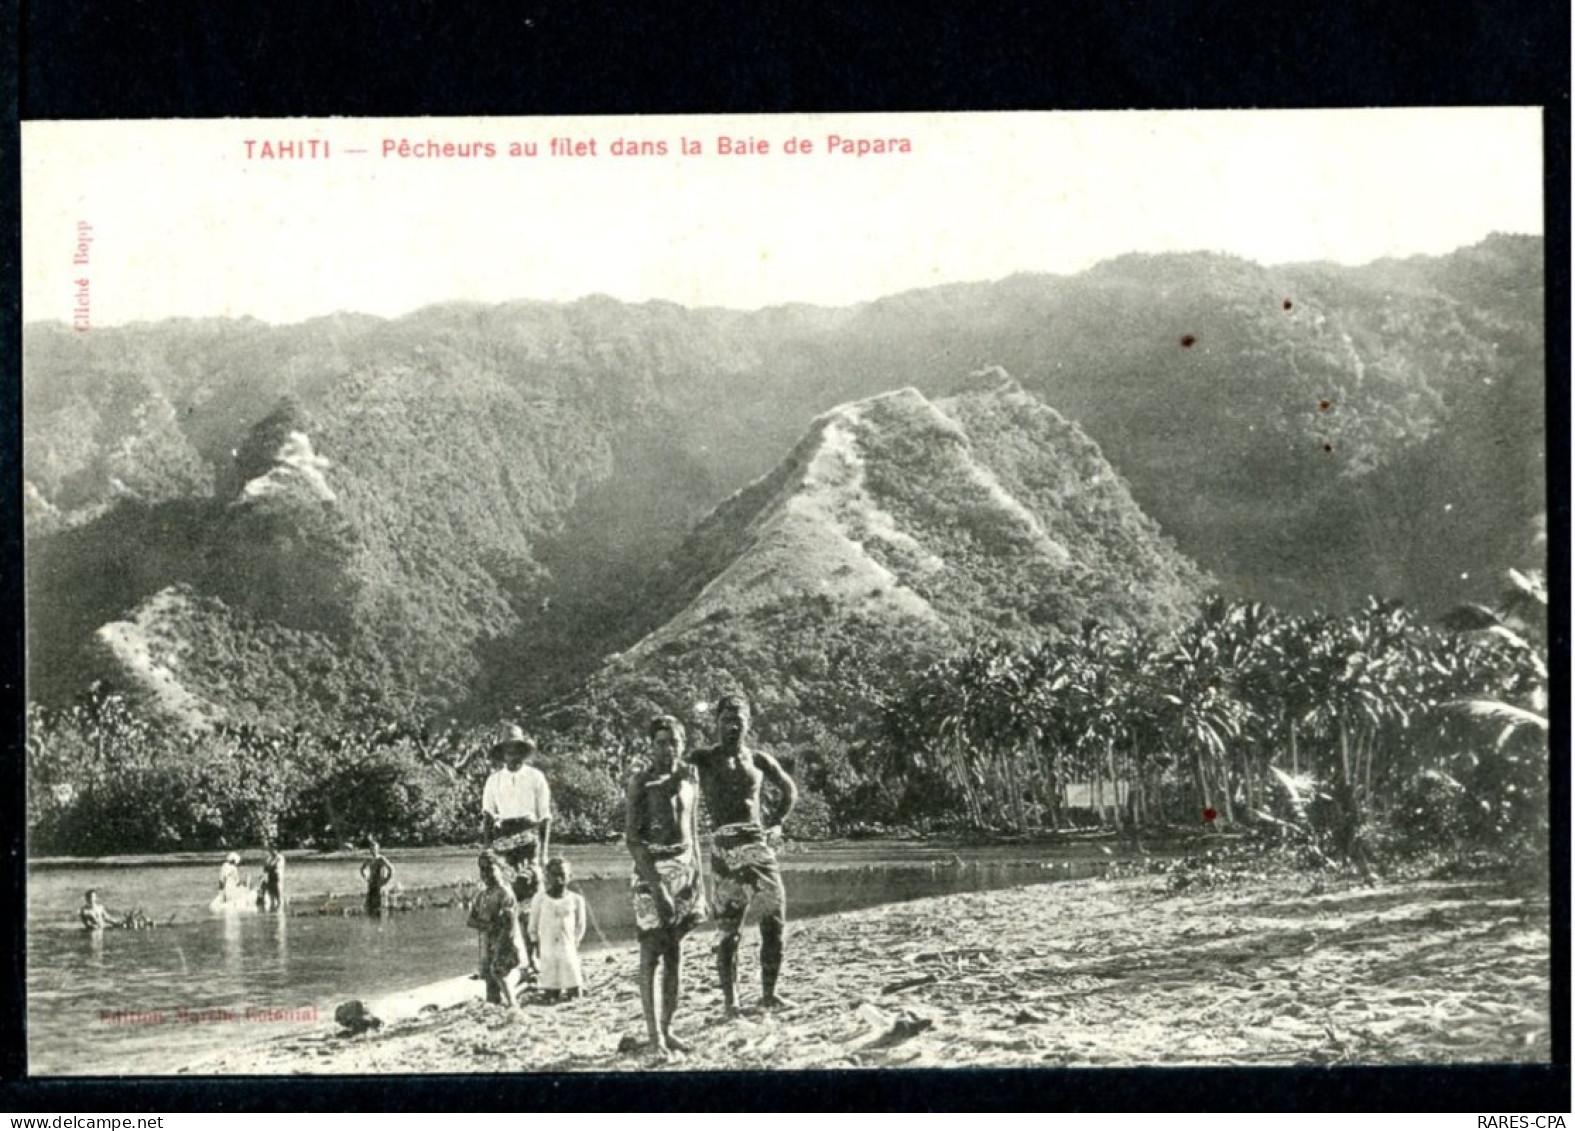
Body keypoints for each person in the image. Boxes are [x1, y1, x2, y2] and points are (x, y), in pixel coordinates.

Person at [691, 692, 798, 1014]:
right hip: (724, 846)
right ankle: (731, 1003)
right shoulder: (703, 759)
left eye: (738, 721)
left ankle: (769, 994)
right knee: (728, 930)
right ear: (717, 723)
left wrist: (777, 823)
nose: (732, 727)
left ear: (748, 724)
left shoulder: (759, 760)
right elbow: (672, 780)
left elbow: (789, 790)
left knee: (774, 921)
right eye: (726, 721)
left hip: (756, 844)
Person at [626, 714, 707, 1053]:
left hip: (685, 866)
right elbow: (633, 839)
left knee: (675, 952)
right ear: (651, 745)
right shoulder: (640, 783)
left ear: (682, 744)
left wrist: (699, 878)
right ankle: (654, 1037)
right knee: (650, 954)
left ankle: (668, 1028)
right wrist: (657, 886)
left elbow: (694, 832)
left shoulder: (690, 778)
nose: (668, 748)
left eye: (674, 741)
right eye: (661, 742)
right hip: (652, 868)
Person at [482, 725, 552, 965]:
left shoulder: (535, 777)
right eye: (508, 751)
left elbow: (545, 818)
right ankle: (511, 960)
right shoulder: (493, 780)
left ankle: (536, 959)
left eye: (516, 750)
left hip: (528, 841)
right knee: (506, 903)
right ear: (502, 754)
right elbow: (488, 818)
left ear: (523, 751)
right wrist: (488, 851)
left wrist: (542, 853)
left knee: (530, 903)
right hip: (503, 844)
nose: (512, 755)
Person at [467, 852, 524, 1007]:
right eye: (482, 870)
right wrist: (487, 925)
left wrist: (501, 944)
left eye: (490, 869)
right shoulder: (482, 896)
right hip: (487, 943)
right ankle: (495, 1003)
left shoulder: (504, 892)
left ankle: (513, 1005)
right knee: (489, 978)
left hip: (504, 941)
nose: (486, 874)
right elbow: (471, 920)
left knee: (499, 972)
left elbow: (509, 922)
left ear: (501, 869)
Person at [527, 858, 587, 1002]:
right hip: (547, 949)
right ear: (547, 876)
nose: (558, 879)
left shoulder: (576, 899)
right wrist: (536, 945)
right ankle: (551, 993)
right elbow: (532, 926)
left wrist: (574, 942)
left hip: (567, 947)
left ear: (569, 877)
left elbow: (580, 925)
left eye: (563, 875)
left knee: (573, 986)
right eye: (554, 874)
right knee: (550, 989)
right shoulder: (540, 898)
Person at [359, 839, 395, 918]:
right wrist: (366, 878)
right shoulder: (369, 859)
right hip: (371, 884)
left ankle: (380, 924)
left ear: (378, 849)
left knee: (381, 907)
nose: (372, 851)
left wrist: (386, 880)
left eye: (374, 849)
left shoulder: (381, 859)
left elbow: (391, 869)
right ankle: (372, 924)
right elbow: (362, 869)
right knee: (369, 906)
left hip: (380, 884)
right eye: (371, 849)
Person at [257, 846, 285, 912]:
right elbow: (265, 868)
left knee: (278, 894)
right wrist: (263, 874)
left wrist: (268, 866)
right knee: (271, 895)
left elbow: (276, 866)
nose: (271, 851)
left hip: (277, 877)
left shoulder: (280, 858)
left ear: (277, 850)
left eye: (273, 850)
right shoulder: (270, 858)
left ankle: (280, 910)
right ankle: (273, 910)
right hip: (270, 877)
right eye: (270, 850)